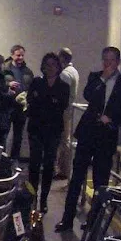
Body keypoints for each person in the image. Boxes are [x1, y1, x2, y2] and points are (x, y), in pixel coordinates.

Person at [56, 46, 121, 232]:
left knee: (101, 181)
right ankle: (67, 219)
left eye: (111, 60)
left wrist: (112, 118)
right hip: (87, 133)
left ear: (118, 62)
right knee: (76, 177)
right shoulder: (95, 78)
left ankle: (93, 222)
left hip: (106, 136)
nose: (107, 64)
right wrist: (102, 79)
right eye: (105, 60)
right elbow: (88, 95)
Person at [25, 52, 71, 214]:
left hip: (53, 130)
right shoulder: (37, 82)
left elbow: (61, 105)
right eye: (47, 64)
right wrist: (49, 101)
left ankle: (43, 199)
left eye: (53, 65)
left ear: (58, 67)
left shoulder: (63, 86)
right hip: (36, 129)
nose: (50, 68)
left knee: (49, 165)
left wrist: (43, 100)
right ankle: (32, 197)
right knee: (34, 164)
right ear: (43, 67)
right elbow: (31, 101)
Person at [1, 44, 34, 161]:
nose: (20, 58)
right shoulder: (4, 70)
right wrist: (8, 84)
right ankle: (2, 160)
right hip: (7, 107)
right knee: (4, 134)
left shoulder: (28, 72)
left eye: (22, 55)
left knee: (18, 136)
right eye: (18, 55)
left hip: (20, 109)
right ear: (12, 55)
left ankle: (14, 160)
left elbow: (32, 88)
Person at [56, 47, 80, 178]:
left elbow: (60, 94)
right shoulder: (74, 71)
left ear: (61, 58)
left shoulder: (65, 74)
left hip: (63, 111)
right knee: (66, 140)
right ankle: (64, 169)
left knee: (63, 141)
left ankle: (63, 170)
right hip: (69, 110)